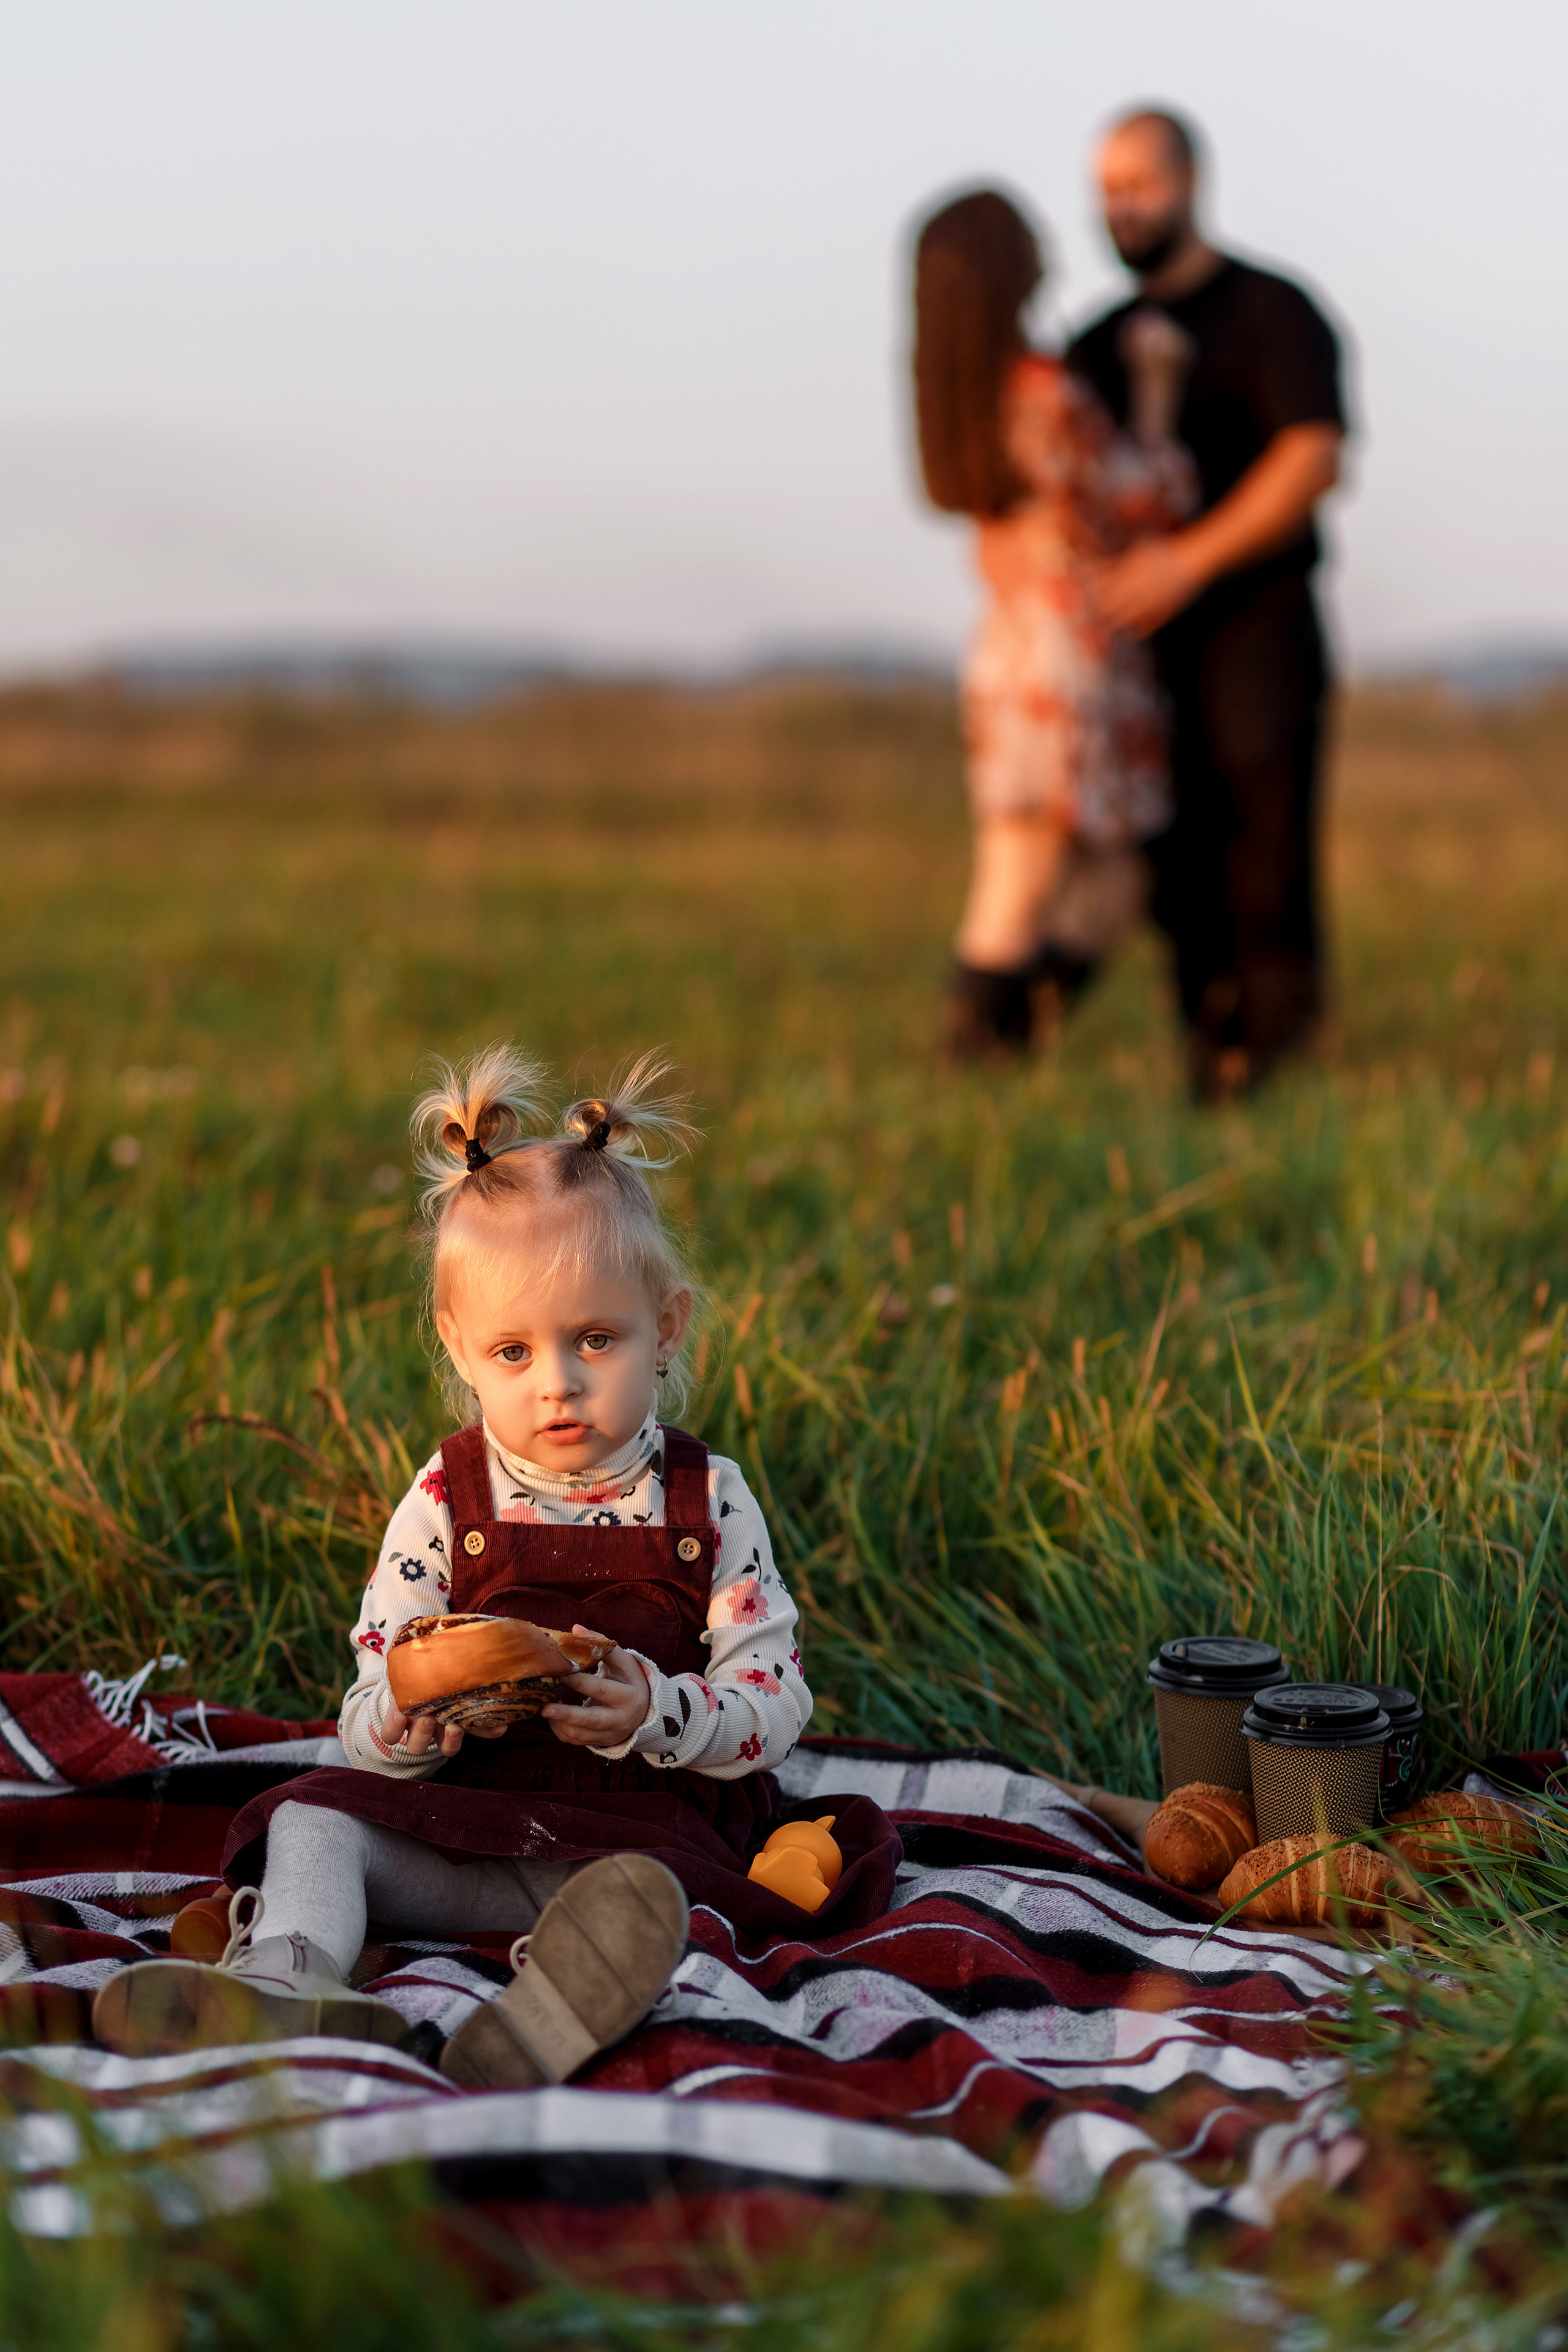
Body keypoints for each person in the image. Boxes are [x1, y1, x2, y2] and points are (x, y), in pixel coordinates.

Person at [93, 1048, 898, 2078]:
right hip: (466, 1833)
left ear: (666, 1329)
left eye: (595, 1339)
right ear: (460, 1347)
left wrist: (658, 1710)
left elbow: (773, 1699)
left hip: (636, 1844)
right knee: (313, 1819)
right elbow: (370, 1698)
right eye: (513, 1352)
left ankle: (542, 2012)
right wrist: (404, 1727)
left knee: (638, 1904)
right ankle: (289, 1979)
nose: (557, 1383)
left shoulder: (709, 1498)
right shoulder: (446, 1497)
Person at [1068, 110, 1348, 1102]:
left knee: (1264, 852)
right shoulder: (1092, 346)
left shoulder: (1275, 311)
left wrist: (1184, 564)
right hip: (1143, 653)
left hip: (1258, 630)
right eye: (1108, 189)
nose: (1123, 206)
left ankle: (1277, 1069)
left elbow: (1312, 457)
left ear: (1191, 182)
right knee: (1176, 866)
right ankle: (1208, 1061)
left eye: (1140, 184)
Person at [913, 187, 1198, 1062]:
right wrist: (1159, 391)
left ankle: (1003, 1047)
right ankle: (975, 1064)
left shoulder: (961, 403)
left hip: (1012, 648)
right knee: (1022, 879)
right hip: (1068, 656)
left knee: (1110, 874)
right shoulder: (1040, 389)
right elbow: (1150, 497)